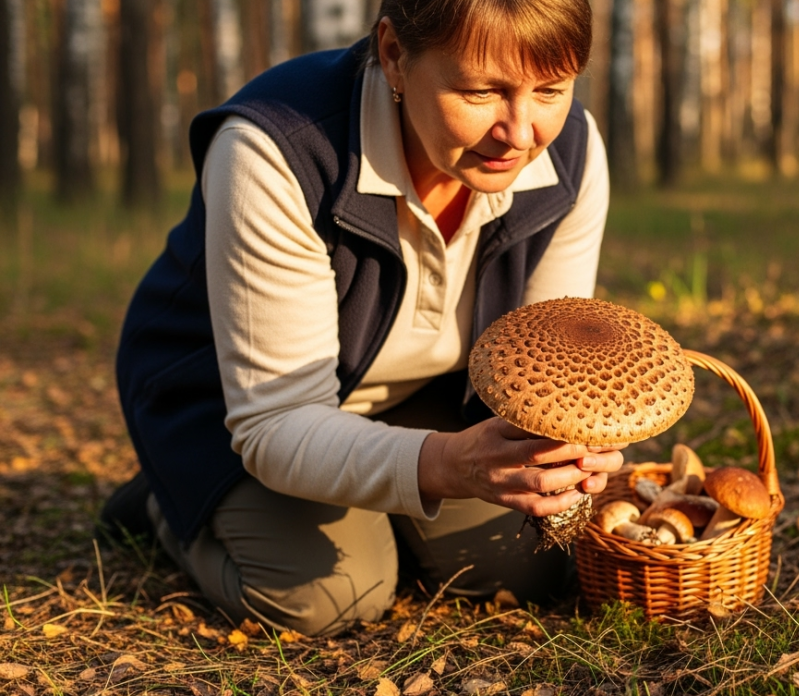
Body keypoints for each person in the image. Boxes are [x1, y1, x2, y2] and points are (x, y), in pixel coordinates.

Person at [102, 0, 624, 637]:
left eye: (551, 90)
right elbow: (275, 419)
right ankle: (171, 500)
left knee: (530, 568)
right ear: (395, 55)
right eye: (480, 92)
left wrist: (561, 451)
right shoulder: (277, 150)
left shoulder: (571, 155)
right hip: (225, 404)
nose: (520, 134)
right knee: (334, 595)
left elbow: (546, 370)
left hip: (414, 396)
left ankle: (380, 507)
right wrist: (451, 464)